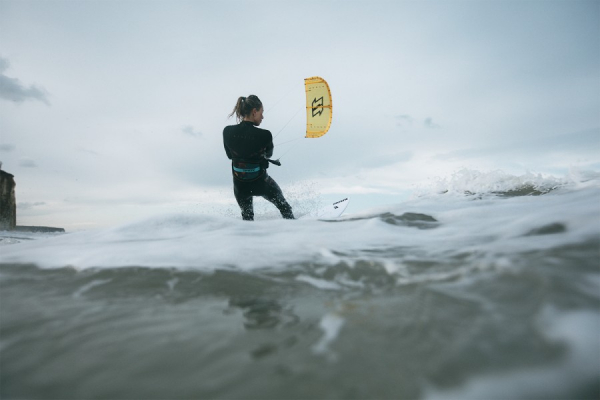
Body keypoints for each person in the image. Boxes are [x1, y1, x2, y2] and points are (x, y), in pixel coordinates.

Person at [223, 95, 294, 221]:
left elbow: (230, 156)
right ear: (254, 111)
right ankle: (297, 235)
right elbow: (269, 155)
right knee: (285, 209)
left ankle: (247, 240)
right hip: (261, 182)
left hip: (240, 186)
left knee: (247, 217)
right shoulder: (265, 135)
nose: (262, 117)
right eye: (261, 112)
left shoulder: (227, 131)